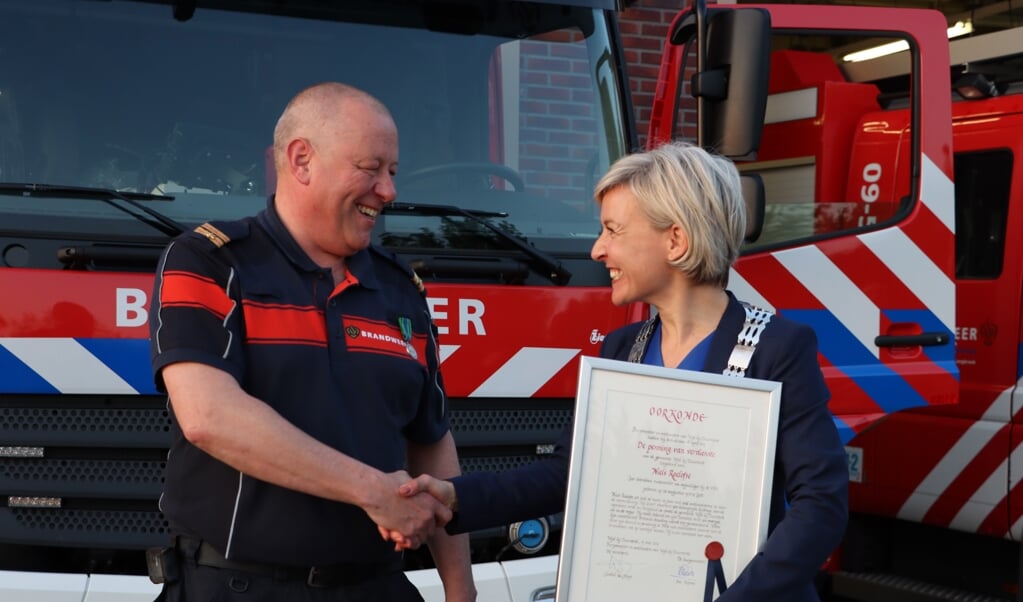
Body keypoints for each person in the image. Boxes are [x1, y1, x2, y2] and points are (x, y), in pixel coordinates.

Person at [396, 140, 848, 601]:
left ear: (676, 240)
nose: (597, 251)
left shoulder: (777, 348)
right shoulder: (619, 351)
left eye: (613, 231)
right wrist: (454, 497)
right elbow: (567, 476)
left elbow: (821, 505)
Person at [148, 82, 475, 602]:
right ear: (301, 160)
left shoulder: (401, 290)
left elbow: (430, 441)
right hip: (240, 588)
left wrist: (460, 588)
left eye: (393, 172)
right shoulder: (210, 261)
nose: (388, 191)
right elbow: (210, 418)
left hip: (379, 588)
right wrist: (373, 493)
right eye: (371, 168)